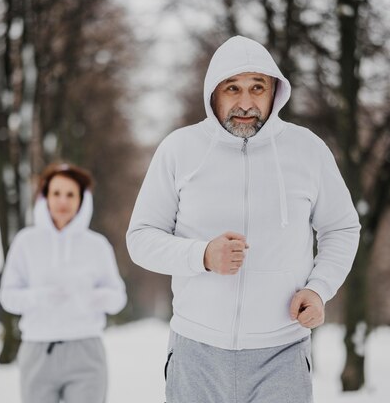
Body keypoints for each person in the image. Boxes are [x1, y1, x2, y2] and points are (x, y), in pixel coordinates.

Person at [126, 35, 360, 402]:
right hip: (196, 352)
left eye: (257, 87)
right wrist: (201, 255)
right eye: (232, 88)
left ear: (274, 92)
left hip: (282, 353)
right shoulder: (179, 150)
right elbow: (140, 237)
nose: (246, 102)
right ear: (213, 94)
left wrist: (319, 288)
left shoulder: (308, 150)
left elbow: (341, 227)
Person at [0, 163, 127, 403]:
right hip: (38, 352)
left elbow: (118, 297)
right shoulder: (26, 242)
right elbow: (7, 297)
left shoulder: (97, 245)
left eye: (71, 194)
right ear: (44, 196)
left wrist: (95, 298)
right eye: (56, 193)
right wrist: (39, 296)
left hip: (86, 351)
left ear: (82, 199)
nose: (63, 201)